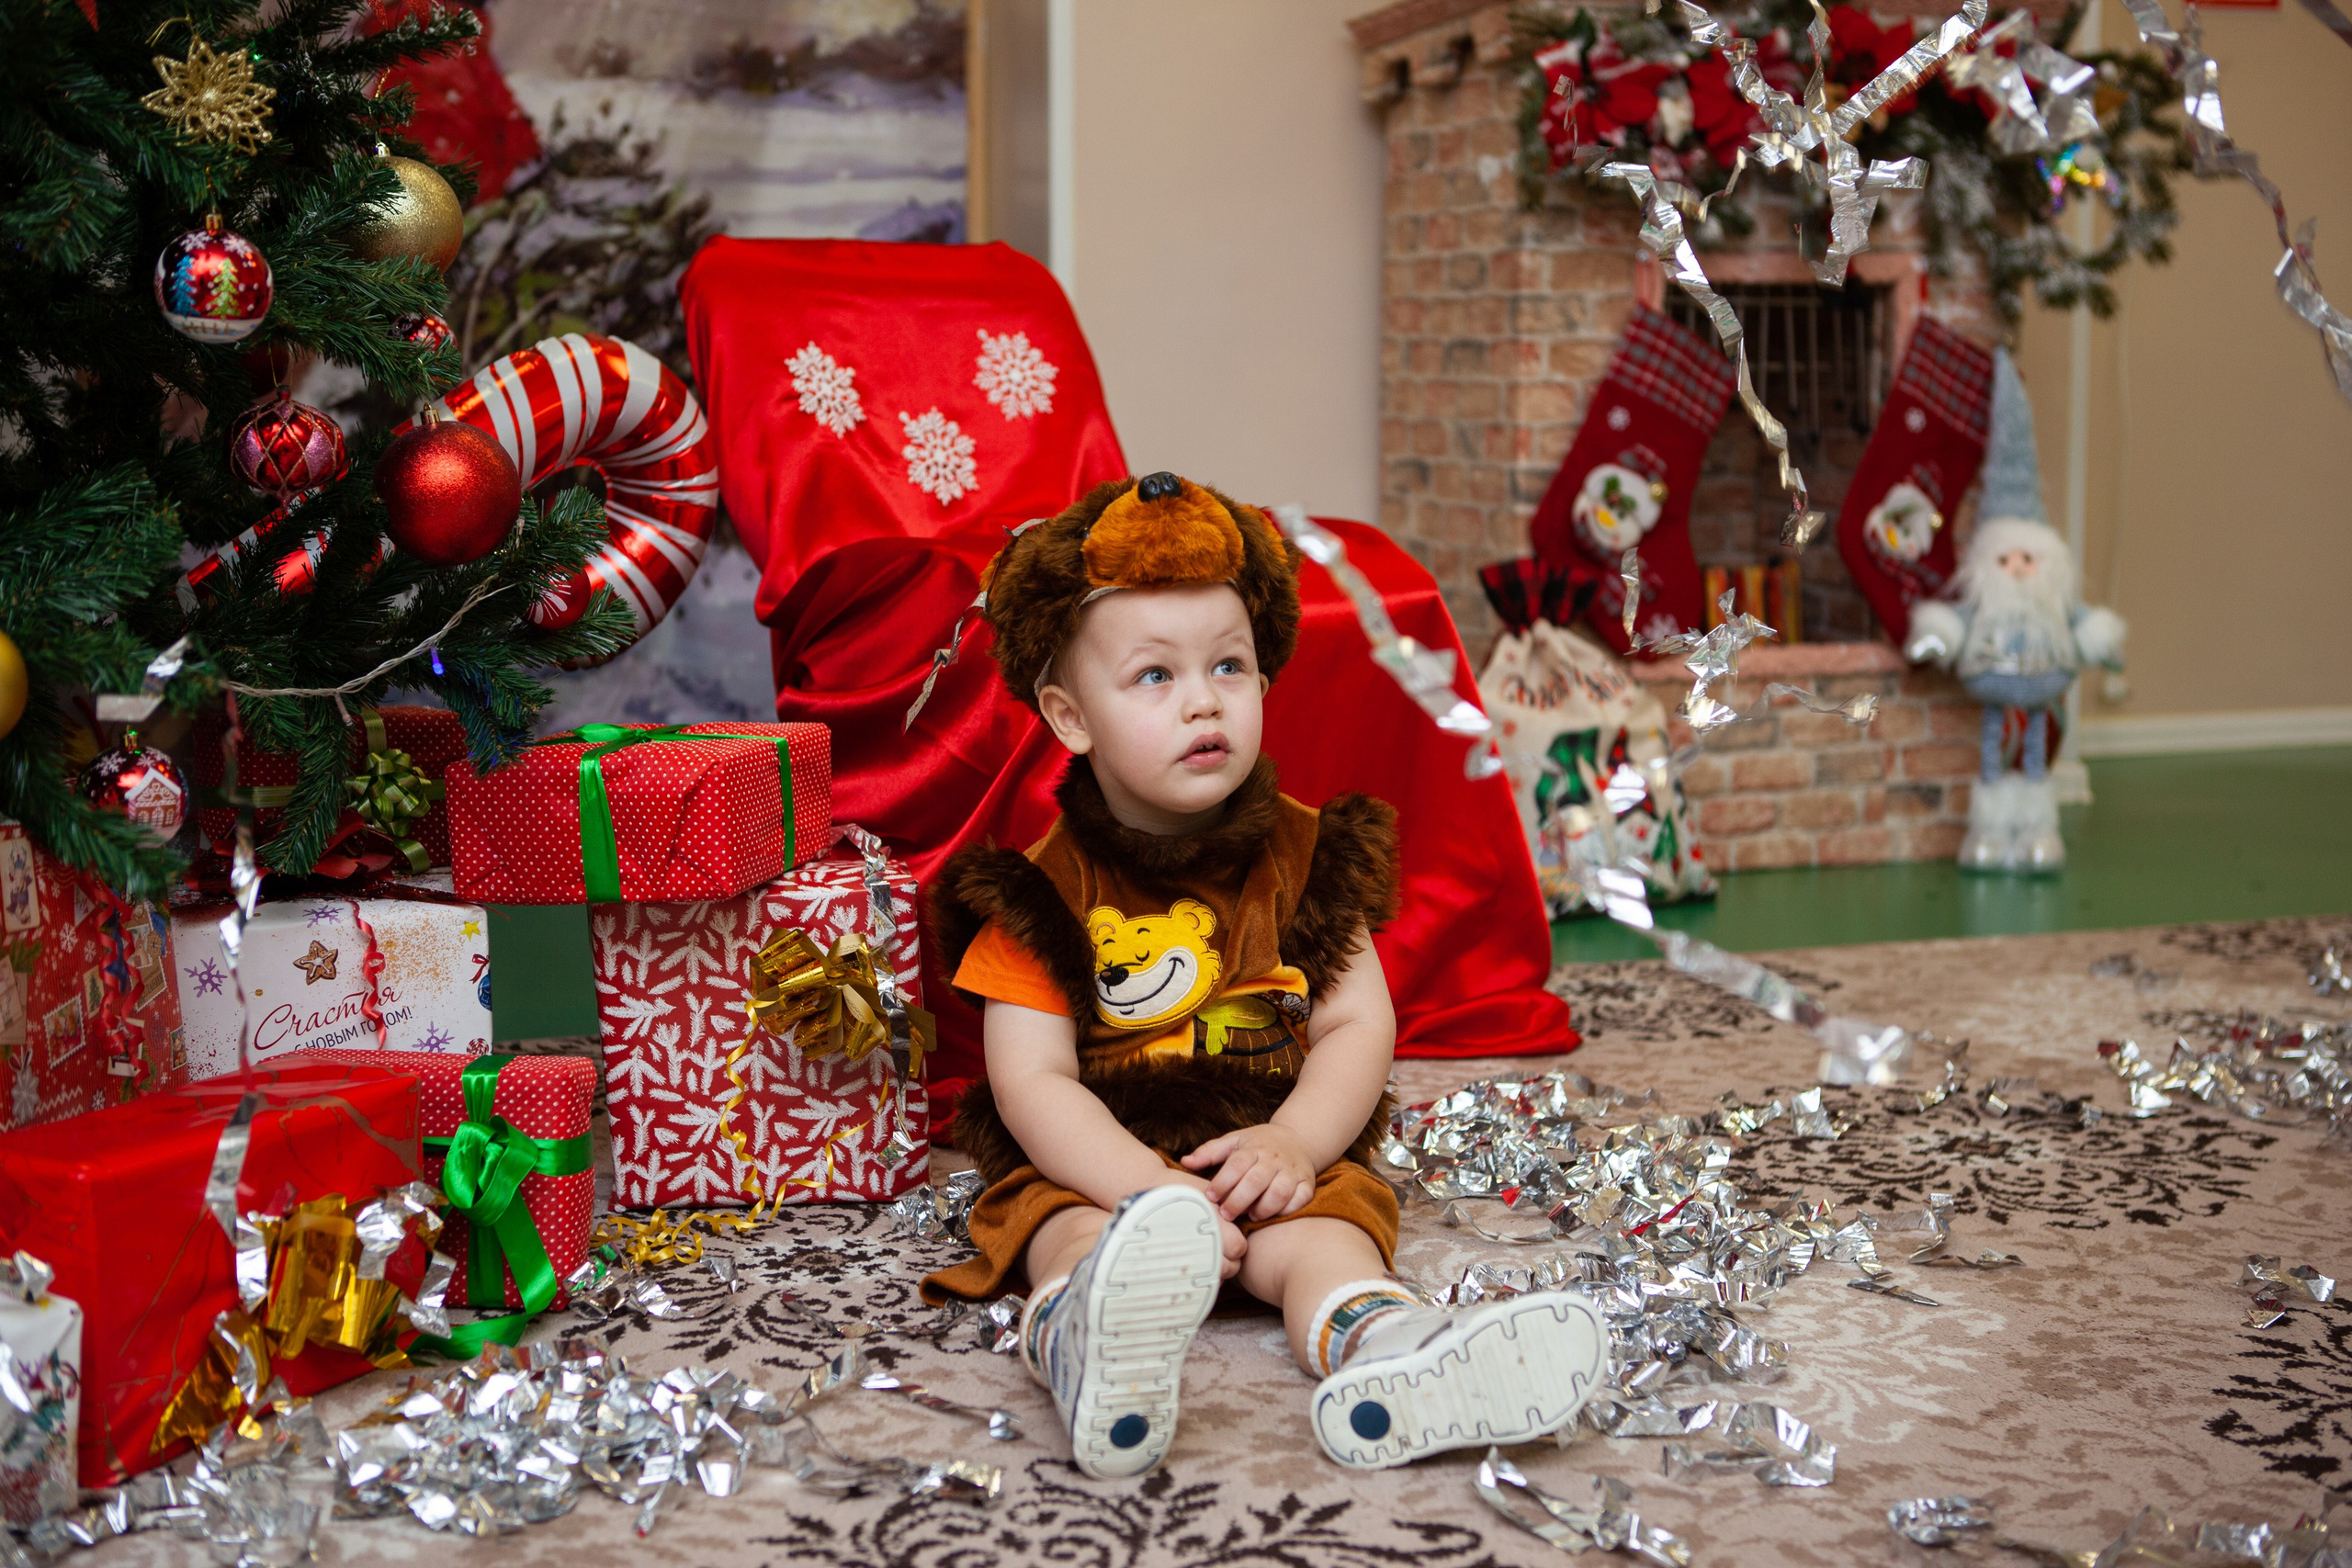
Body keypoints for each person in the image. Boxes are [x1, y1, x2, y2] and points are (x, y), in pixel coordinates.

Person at [922, 471, 1605, 1480]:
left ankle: (1390, 1351)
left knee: (1328, 1233)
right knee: (1056, 1231)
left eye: (1228, 667)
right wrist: (1140, 1192)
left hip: (1262, 1146)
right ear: (1070, 718)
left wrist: (1295, 1140)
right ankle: (1091, 1340)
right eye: (1155, 677)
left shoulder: (1303, 856)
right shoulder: (1040, 890)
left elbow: (1355, 1028)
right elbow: (1033, 1082)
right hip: (1104, 1163)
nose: (1203, 700)